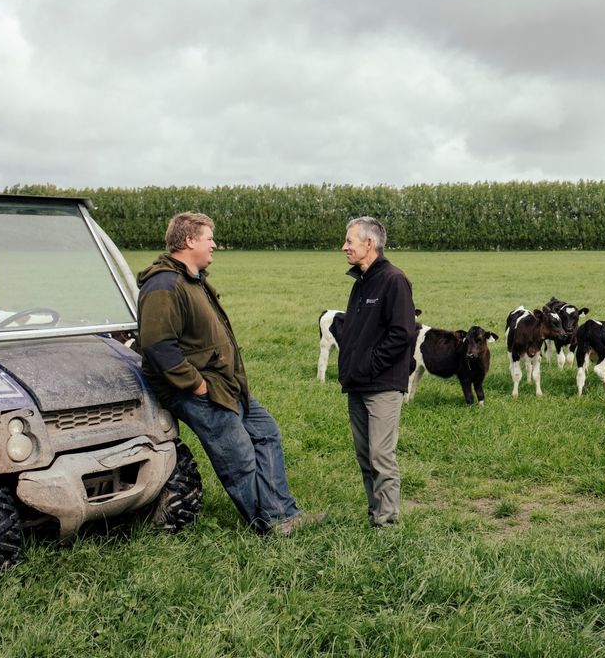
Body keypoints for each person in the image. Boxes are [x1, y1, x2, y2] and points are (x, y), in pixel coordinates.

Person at [137, 212, 321, 537]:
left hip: (226, 384)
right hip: (198, 389)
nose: (214, 245)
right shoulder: (164, 284)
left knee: (266, 434)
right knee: (238, 458)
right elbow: (157, 344)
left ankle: (282, 511)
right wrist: (195, 384)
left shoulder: (194, 278)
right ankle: (269, 526)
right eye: (209, 239)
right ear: (189, 240)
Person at [337, 216, 417, 527]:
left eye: (349, 241)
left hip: (382, 385)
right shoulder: (361, 281)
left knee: (381, 456)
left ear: (369, 244)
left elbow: (402, 333)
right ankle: (375, 513)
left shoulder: (393, 280)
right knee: (364, 455)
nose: (344, 247)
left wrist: (370, 365)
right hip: (357, 384)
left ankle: (388, 522)